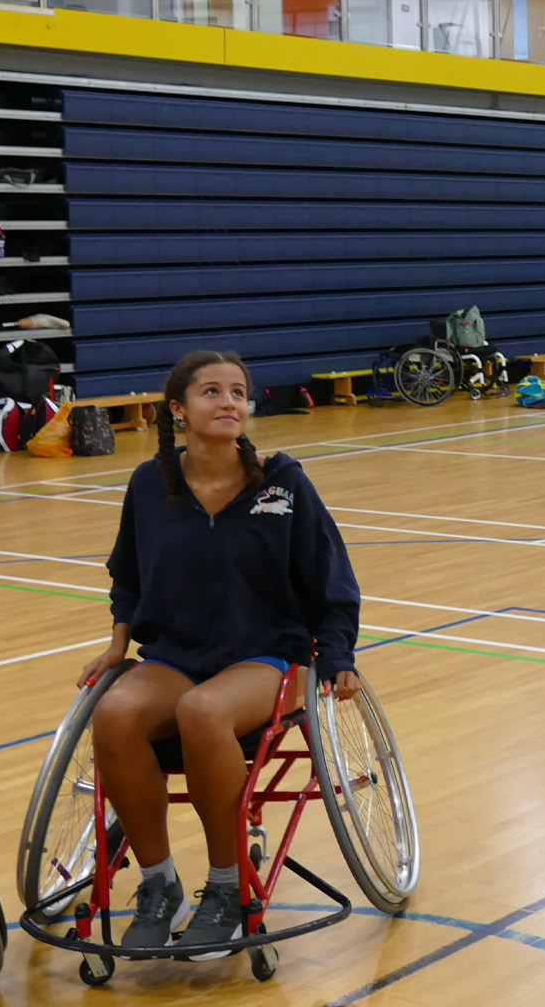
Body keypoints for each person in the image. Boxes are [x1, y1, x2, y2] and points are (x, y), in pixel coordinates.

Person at [78, 350, 360, 956]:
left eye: (238, 392)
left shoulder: (283, 482)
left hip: (263, 655)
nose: (229, 401)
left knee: (204, 713)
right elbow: (127, 576)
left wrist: (336, 653)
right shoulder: (149, 484)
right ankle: (159, 885)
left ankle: (228, 887)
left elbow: (331, 577)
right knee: (114, 714)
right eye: (211, 391)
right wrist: (116, 646)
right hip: (174, 654)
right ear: (178, 410)